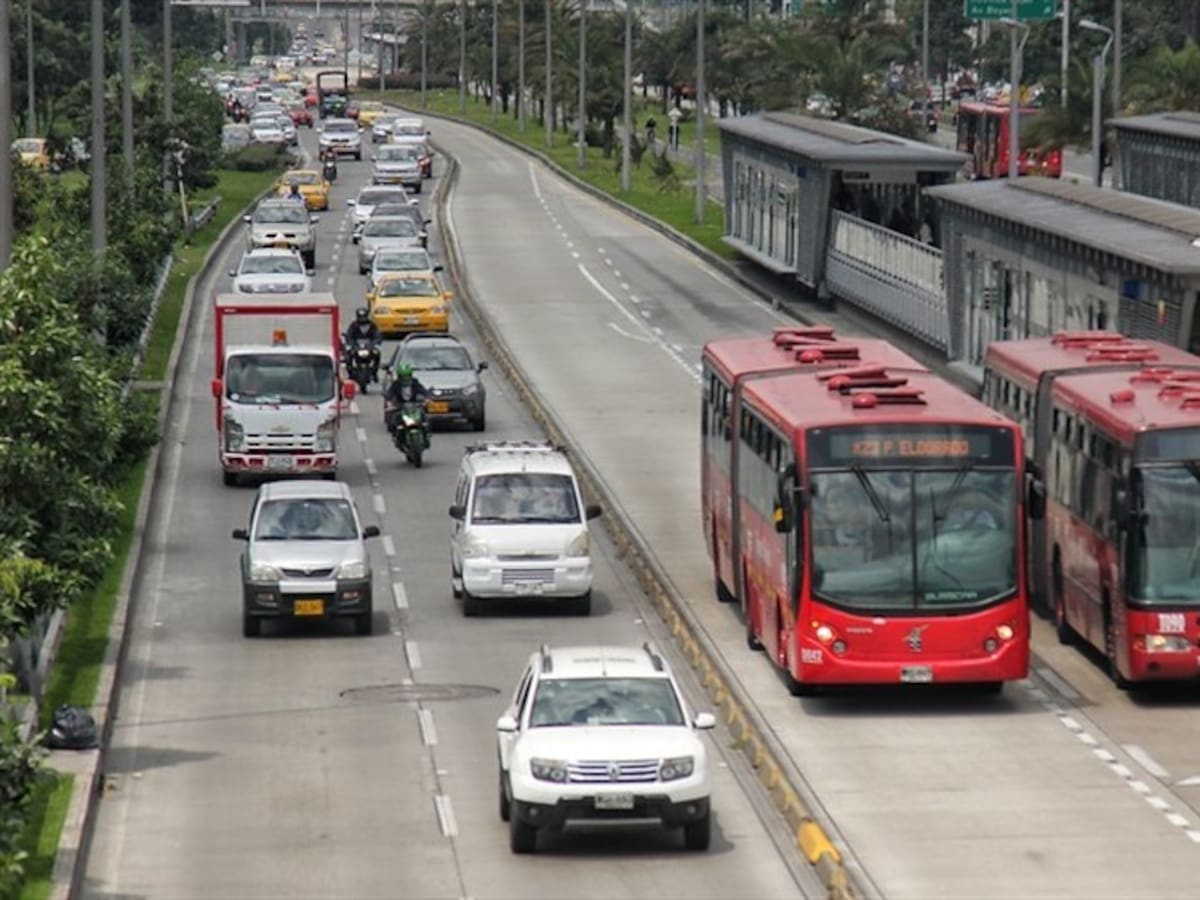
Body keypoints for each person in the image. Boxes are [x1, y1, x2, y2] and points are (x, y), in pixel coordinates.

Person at [385, 363, 430, 445]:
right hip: (400, 405)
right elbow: (389, 394)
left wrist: (426, 399)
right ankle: (397, 436)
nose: (405, 378)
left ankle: (426, 435)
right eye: (403, 376)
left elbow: (423, 390)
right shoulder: (396, 384)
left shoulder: (415, 382)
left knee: (423, 415)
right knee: (395, 418)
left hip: (414, 405)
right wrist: (389, 403)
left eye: (407, 375)